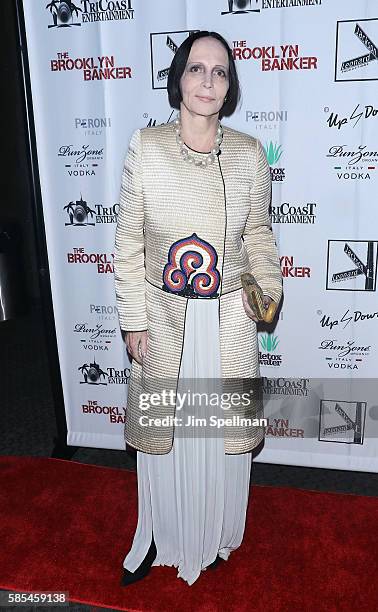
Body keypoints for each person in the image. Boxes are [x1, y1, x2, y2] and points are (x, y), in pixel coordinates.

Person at [113, 30, 282, 587]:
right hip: (164, 319)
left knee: (217, 433)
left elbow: (259, 234)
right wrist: (133, 318)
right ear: (178, 77)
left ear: (229, 86)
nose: (208, 81)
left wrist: (266, 297)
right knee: (165, 430)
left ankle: (211, 531)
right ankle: (157, 531)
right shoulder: (147, 146)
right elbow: (128, 241)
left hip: (229, 320)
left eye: (220, 71)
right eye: (196, 69)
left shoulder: (249, 153)